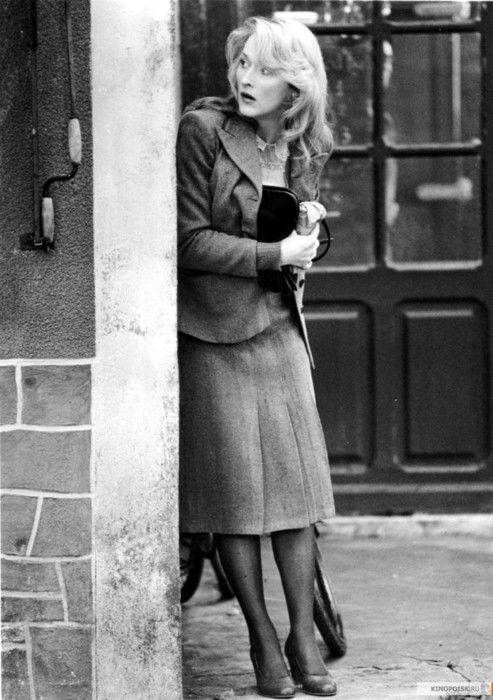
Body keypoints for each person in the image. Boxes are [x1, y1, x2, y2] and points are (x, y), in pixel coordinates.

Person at [177, 15, 337, 698]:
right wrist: (276, 253)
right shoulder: (204, 132)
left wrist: (309, 237)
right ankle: (261, 636)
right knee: (237, 498)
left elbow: (301, 245)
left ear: (295, 87)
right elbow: (187, 242)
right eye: (241, 62)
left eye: (264, 68)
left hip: (276, 327)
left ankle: (303, 634)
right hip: (212, 332)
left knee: (295, 497)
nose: (245, 77)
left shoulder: (304, 144)